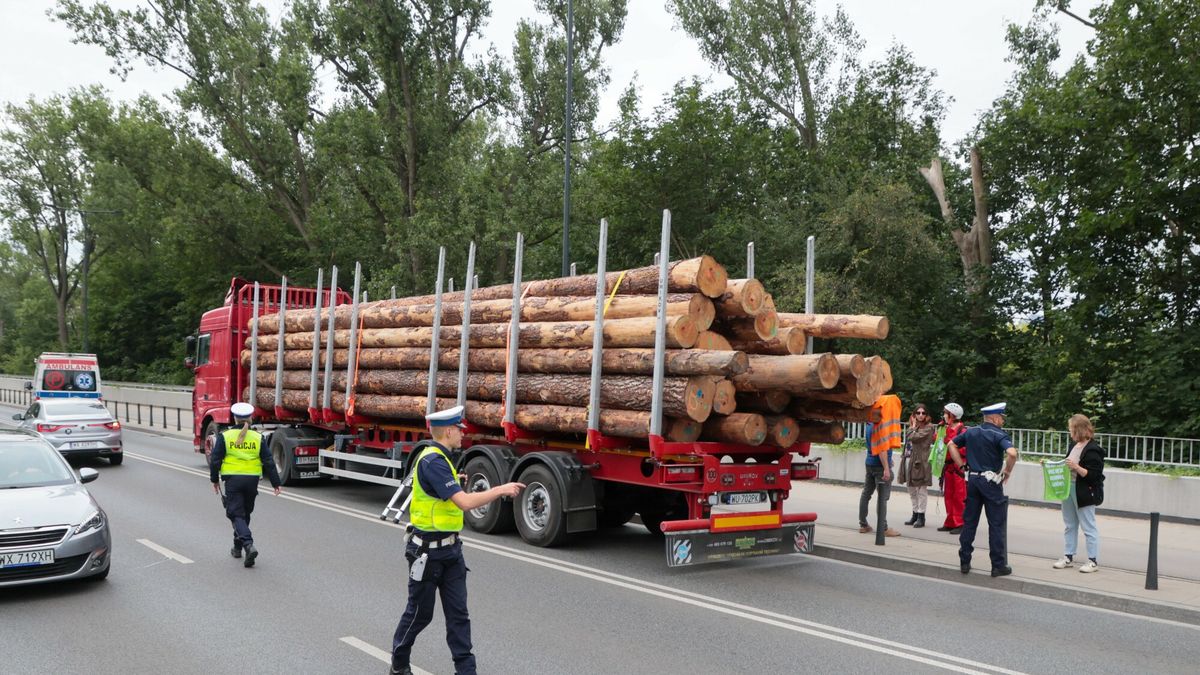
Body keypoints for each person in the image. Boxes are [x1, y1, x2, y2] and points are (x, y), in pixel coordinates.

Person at [390, 405, 525, 675]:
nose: (463, 434)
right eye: (460, 430)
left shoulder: (442, 458)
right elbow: (464, 503)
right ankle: (399, 664)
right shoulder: (433, 461)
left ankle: (466, 671)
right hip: (426, 554)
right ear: (449, 431)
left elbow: (444, 498)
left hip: (451, 552)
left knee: (458, 617)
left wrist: (455, 483)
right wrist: (500, 489)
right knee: (419, 615)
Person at [947, 402, 1019, 577]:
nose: (1003, 421)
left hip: (972, 480)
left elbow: (951, 445)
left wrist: (961, 465)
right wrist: (1007, 471)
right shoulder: (999, 434)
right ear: (995, 418)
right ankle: (998, 565)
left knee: (970, 522)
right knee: (996, 524)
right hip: (991, 482)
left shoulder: (971, 431)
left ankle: (965, 561)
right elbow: (1012, 453)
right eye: (1001, 417)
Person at [209, 402, 282, 568]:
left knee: (236, 514)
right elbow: (268, 461)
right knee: (244, 514)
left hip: (233, 480)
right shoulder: (257, 437)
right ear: (250, 418)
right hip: (252, 480)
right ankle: (237, 548)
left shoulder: (225, 436)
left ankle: (248, 545)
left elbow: (215, 460)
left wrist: (214, 480)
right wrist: (276, 483)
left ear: (235, 418)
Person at [1053, 414, 1105, 573]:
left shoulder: (1093, 449)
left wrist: (1076, 467)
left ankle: (1093, 561)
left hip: (1084, 492)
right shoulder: (1073, 445)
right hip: (1069, 489)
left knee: (1088, 526)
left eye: (1071, 429)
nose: (1070, 432)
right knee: (1070, 525)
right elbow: (1067, 465)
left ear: (1079, 430)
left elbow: (1094, 476)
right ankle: (1068, 557)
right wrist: (1051, 465)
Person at [858, 394, 902, 537]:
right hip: (879, 466)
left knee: (866, 494)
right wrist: (887, 468)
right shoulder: (880, 424)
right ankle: (883, 528)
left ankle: (863, 524)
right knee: (882, 497)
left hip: (869, 462)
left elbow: (875, 447)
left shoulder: (870, 423)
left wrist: (888, 460)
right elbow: (882, 449)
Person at [898, 403, 936, 528]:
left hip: (921, 462)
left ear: (926, 415)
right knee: (911, 489)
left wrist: (912, 428)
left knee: (921, 490)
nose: (920, 415)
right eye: (918, 413)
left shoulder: (929, 427)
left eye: (923, 413)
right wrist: (913, 427)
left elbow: (913, 437)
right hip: (908, 459)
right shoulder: (913, 427)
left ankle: (921, 516)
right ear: (914, 415)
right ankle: (914, 514)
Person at [937, 402, 967, 534]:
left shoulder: (963, 431)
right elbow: (937, 443)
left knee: (959, 496)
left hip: (958, 467)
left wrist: (949, 442)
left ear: (952, 415)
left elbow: (964, 449)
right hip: (948, 467)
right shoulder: (946, 428)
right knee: (948, 495)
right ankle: (950, 522)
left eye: (946, 413)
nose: (944, 415)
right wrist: (939, 432)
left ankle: (960, 523)